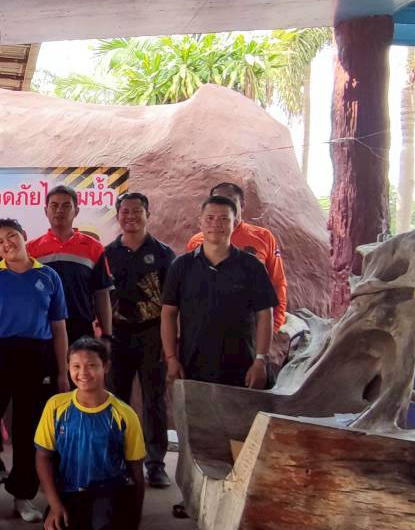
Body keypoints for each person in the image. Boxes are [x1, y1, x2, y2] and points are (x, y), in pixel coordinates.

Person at [0, 218, 69, 523]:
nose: (7, 244)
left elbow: (59, 327)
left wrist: (62, 372)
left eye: (11, 236)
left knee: (28, 428)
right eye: (0, 241)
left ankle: (23, 495)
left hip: (36, 356)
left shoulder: (48, 276)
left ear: (24, 235)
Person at [37, 337, 147, 530]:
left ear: (105, 366)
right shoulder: (56, 406)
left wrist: (132, 528)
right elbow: (43, 456)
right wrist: (55, 505)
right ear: (68, 367)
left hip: (110, 493)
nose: (83, 373)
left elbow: (137, 473)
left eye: (91, 365)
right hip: (69, 493)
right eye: (76, 366)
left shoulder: (124, 414)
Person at [162, 195, 277, 390]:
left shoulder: (252, 266)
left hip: (243, 368)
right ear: (200, 222)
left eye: (224, 218)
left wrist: (260, 360)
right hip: (193, 367)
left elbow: (265, 314)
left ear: (235, 223)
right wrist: (171, 358)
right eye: (210, 218)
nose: (216, 224)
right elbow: (168, 313)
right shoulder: (181, 266)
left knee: (242, 411)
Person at [103, 192, 176, 489]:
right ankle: (118, 460)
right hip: (117, 335)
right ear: (117, 215)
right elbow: (100, 297)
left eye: (137, 211)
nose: (130, 216)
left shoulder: (163, 254)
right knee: (116, 399)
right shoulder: (106, 254)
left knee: (154, 399)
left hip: (153, 334)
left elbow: (173, 303)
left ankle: (155, 464)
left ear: (148, 215)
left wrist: (171, 343)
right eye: (125, 211)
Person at [184, 182, 288, 332]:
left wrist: (275, 325)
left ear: (242, 205)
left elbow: (277, 282)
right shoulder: (196, 242)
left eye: (230, 200)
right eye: (218, 200)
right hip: (206, 327)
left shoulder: (263, 237)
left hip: (251, 327)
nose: (224, 205)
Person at [26, 185, 114, 342]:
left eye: (66, 206)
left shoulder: (94, 247)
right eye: (54, 205)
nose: (60, 210)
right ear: (46, 211)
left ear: (76, 211)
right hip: (42, 330)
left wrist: (107, 336)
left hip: (81, 331)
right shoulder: (31, 249)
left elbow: (101, 294)